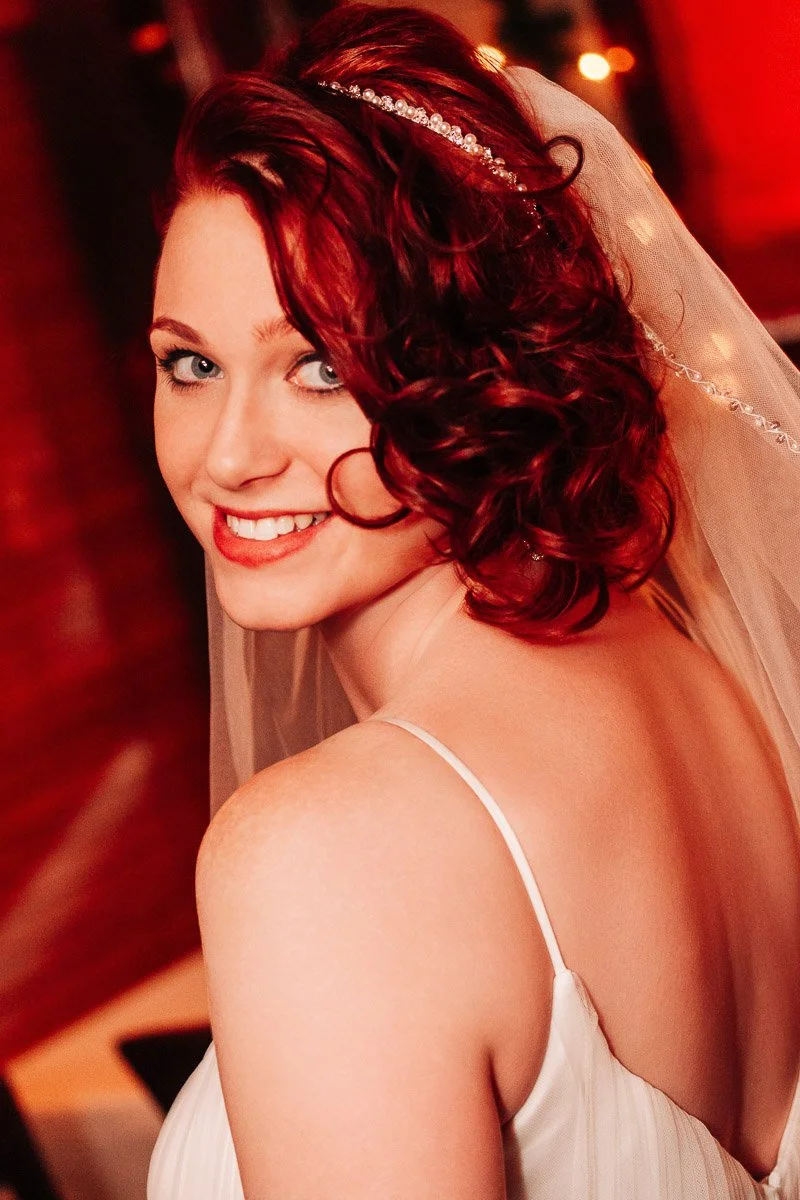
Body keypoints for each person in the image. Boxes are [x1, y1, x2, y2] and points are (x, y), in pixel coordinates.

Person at [146, 4, 800, 1197]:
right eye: (189, 363)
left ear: (481, 369)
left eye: (320, 367)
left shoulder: (319, 853)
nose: (228, 454)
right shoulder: (708, 688)